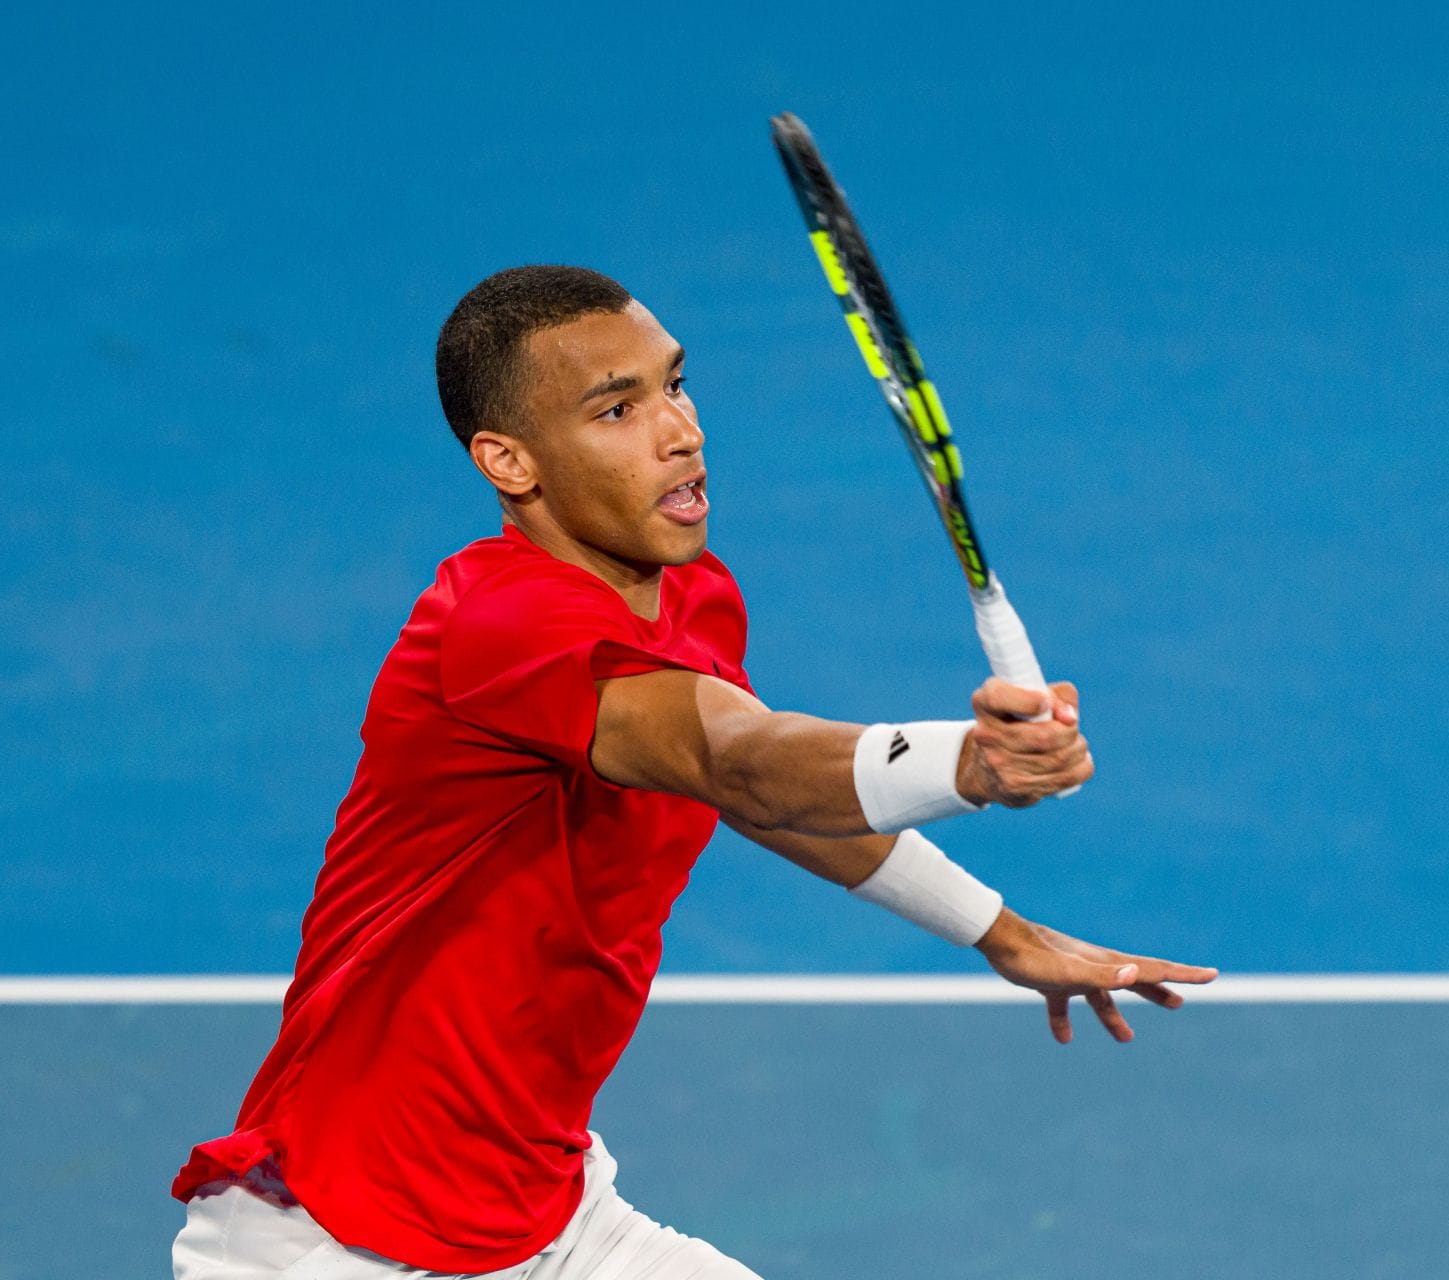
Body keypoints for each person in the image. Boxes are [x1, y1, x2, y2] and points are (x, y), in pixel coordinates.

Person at [170, 265, 1217, 1279]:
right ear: (510, 461)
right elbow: (746, 763)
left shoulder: (689, 593)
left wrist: (1001, 930)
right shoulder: (501, 626)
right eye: (617, 410)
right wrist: (971, 762)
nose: (682, 428)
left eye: (673, 382)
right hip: (347, 1239)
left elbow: (758, 794)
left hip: (545, 1212)